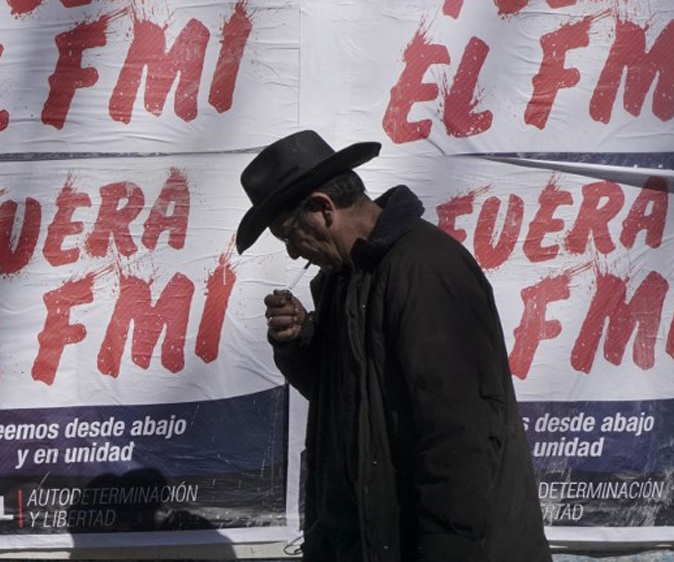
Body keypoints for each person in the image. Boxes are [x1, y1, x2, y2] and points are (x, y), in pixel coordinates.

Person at [235, 130, 551, 562]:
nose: (293, 255)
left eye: (290, 237)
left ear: (323, 209)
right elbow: (349, 400)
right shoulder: (344, 280)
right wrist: (299, 342)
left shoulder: (427, 271)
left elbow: (459, 437)